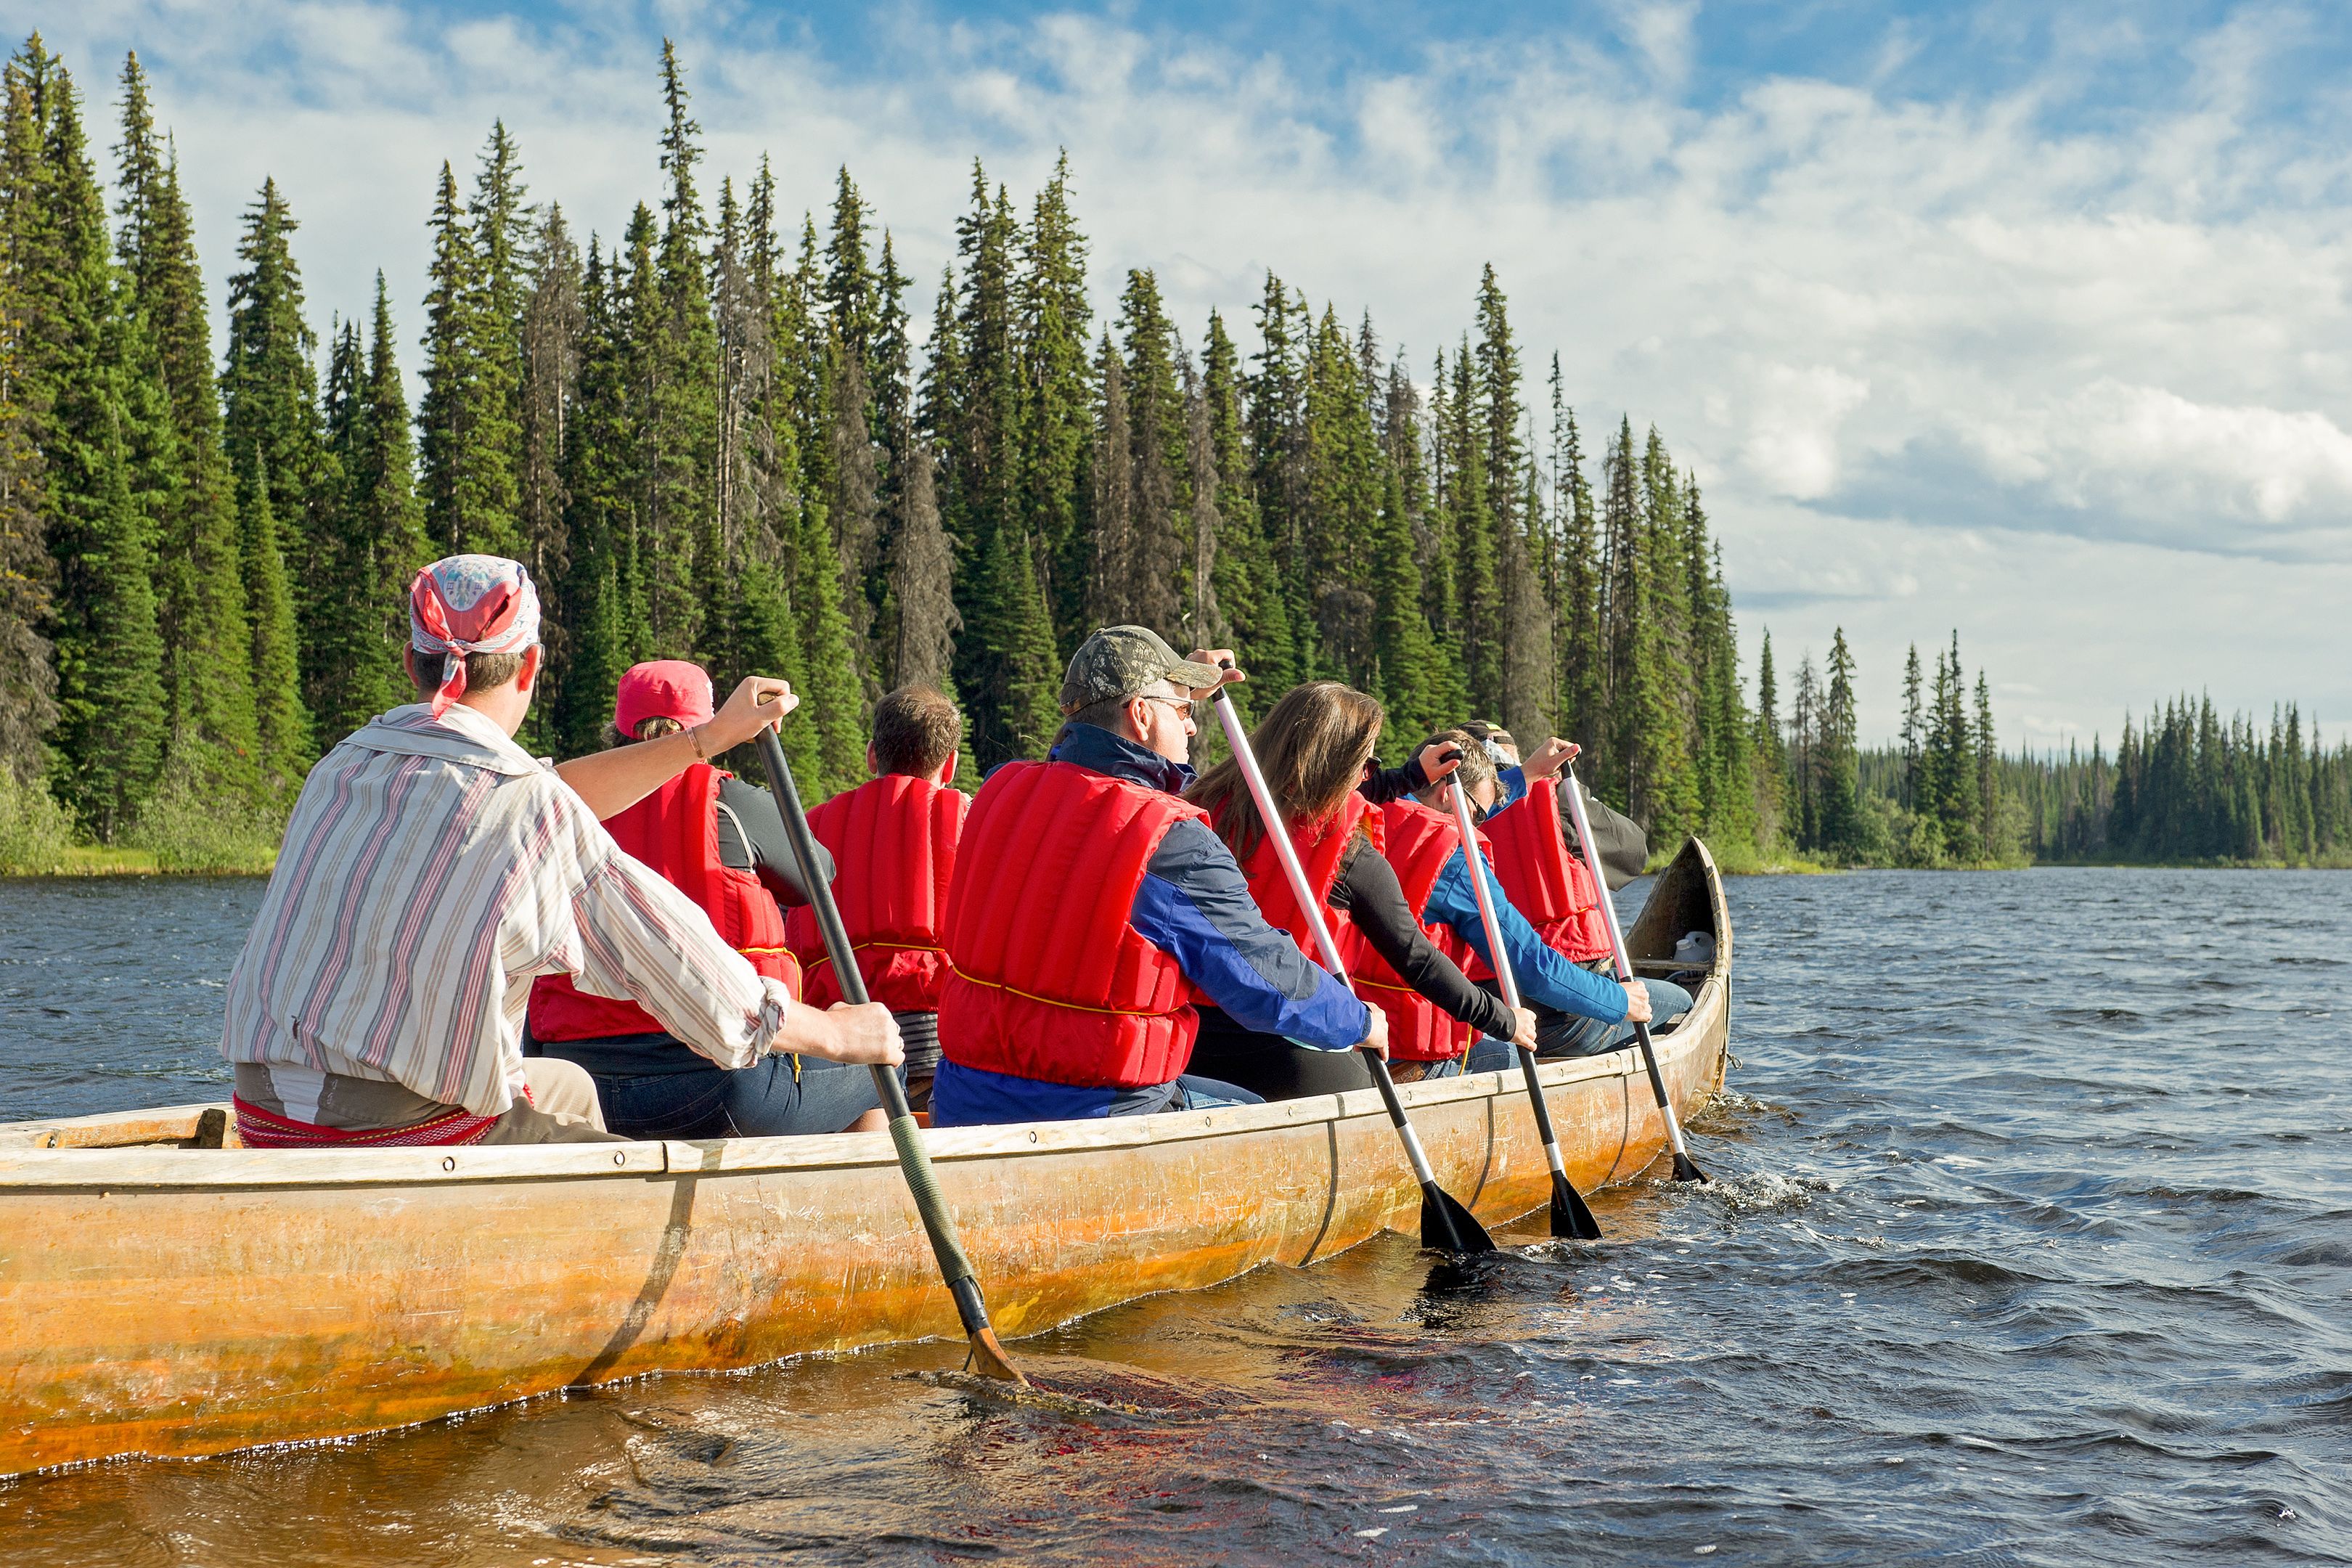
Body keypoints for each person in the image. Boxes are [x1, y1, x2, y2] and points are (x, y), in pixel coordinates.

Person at [219, 555, 901, 1149]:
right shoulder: (528, 809)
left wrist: (713, 738)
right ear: (532, 666)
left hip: (268, 1113)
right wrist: (845, 1035)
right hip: (406, 1128)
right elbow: (708, 997)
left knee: (570, 1084)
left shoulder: (343, 764)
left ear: (410, 662)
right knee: (620, 1171)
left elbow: (545, 786)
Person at [931, 627, 1387, 1125]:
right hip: (1098, 1109)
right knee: (1261, 1115)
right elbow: (1261, 977)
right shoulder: (1170, 839)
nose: (1192, 728)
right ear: (1142, 715)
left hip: (962, 1101)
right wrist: (1358, 1021)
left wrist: (1177, 682)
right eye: (1184, 712)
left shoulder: (1001, 792)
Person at [528, 659, 889, 1139]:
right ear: (713, 725)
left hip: (580, 1081)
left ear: (619, 727)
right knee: (881, 1070)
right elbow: (817, 879)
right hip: (713, 1084)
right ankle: (849, 1209)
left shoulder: (565, 808)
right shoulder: (728, 802)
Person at [1183, 682, 1538, 1100]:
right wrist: (1504, 1020)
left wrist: (1406, 779)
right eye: (1367, 763)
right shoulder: (1350, 854)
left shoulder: (1207, 803)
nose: (1369, 774)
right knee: (1390, 1075)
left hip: (1195, 1043)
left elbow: (1305, 795)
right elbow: (1416, 958)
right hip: (1286, 1050)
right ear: (1340, 767)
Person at [1371, 730, 1651, 1079]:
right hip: (1420, 1058)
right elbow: (1531, 967)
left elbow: (1463, 797)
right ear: (1447, 793)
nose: (1480, 823)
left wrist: (1527, 773)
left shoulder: (1375, 816)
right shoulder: (1454, 859)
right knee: (1672, 1001)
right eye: (1479, 815)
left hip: (1370, 1036)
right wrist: (1620, 1001)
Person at [1450, 730, 1694, 1069]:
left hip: (1478, 1009)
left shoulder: (1438, 826)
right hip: (1561, 1007)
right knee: (1683, 1000)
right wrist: (1575, 794)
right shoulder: (1558, 800)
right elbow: (1632, 855)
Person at [784, 685, 968, 1111]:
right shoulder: (971, 822)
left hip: (834, 1039)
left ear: (872, 755)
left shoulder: (806, 830)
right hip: (935, 1042)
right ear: (952, 764)